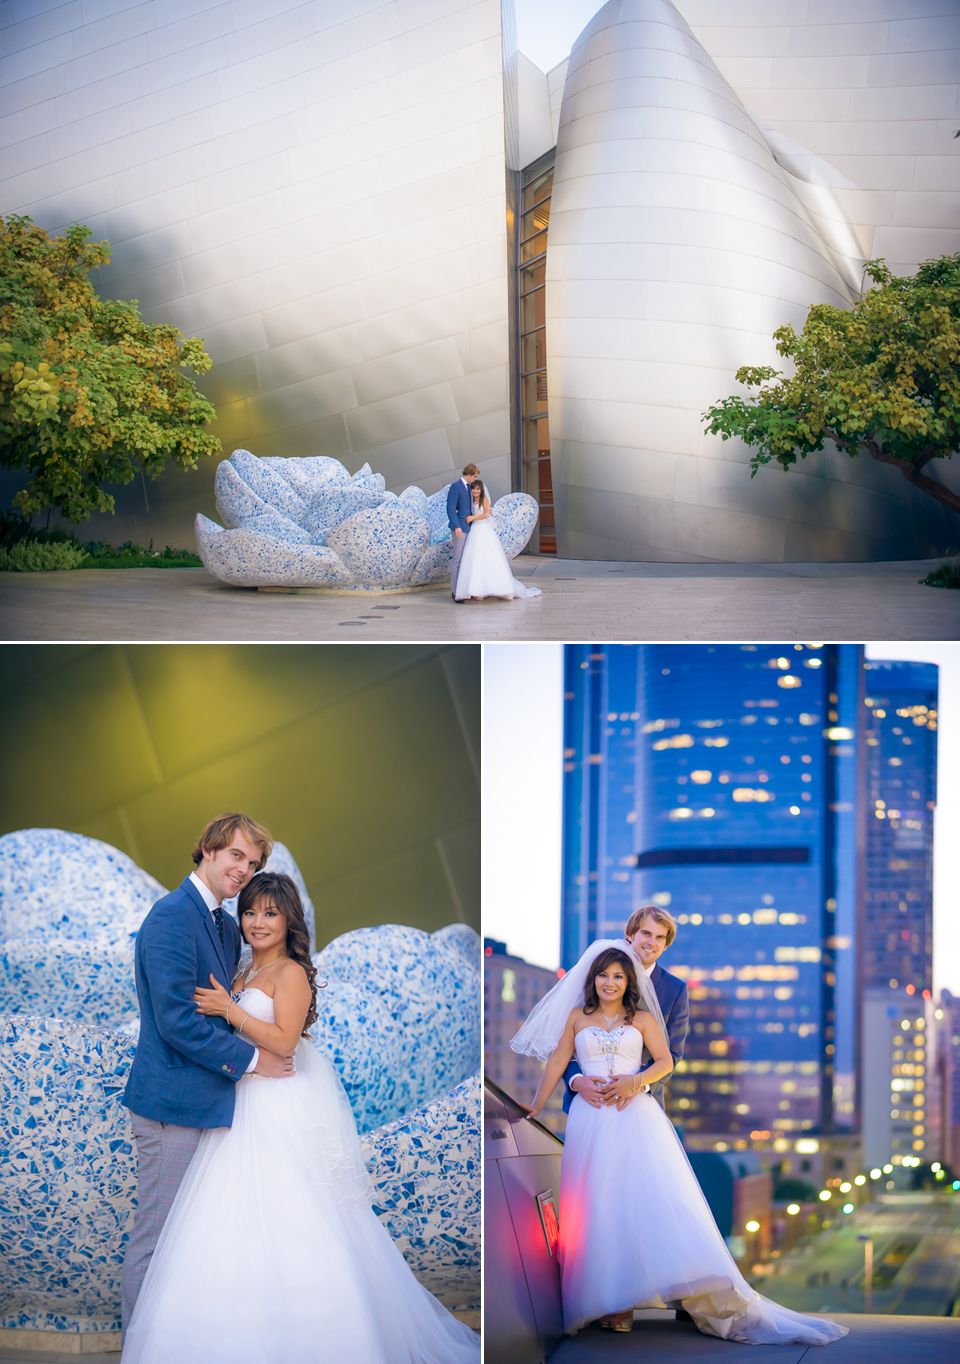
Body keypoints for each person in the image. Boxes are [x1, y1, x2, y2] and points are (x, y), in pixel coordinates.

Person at [122, 871, 479, 1363]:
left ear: (290, 919)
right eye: (249, 911)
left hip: (273, 1104)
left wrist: (230, 1009)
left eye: (270, 912)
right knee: (226, 1222)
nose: (257, 922)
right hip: (236, 1100)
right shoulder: (241, 967)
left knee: (289, 1213)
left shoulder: (289, 973)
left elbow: (286, 1041)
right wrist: (231, 1006)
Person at [514, 945, 848, 1346]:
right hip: (589, 1121)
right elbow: (556, 1063)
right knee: (594, 1205)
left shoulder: (641, 1018)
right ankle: (607, 1301)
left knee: (638, 1200)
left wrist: (635, 1082)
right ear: (592, 979)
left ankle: (639, 1296)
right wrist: (536, 1104)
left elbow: (665, 1061)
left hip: (633, 1117)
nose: (610, 982)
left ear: (628, 982)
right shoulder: (575, 1017)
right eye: (604, 975)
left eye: (618, 976)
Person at [121, 812, 293, 1337]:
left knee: (190, 1244)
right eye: (237, 856)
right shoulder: (172, 916)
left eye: (253, 862)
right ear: (209, 850)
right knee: (156, 1239)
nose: (244, 870)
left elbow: (223, 1007)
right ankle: (139, 1349)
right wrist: (252, 1061)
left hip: (210, 1107)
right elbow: (175, 1021)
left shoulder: (222, 922)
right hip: (172, 1107)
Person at [563, 905, 688, 1115]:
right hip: (590, 1100)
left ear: (666, 945)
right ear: (630, 935)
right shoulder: (596, 975)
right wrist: (576, 1081)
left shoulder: (675, 990)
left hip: (642, 1104)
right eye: (646, 933)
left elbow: (673, 1054)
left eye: (660, 938)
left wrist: (637, 1085)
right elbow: (563, 1043)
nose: (652, 942)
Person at [452, 477, 542, 601]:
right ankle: (476, 590)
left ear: (481, 490)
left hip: (483, 529)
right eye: (473, 489)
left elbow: (485, 515)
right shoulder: (471, 501)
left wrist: (473, 518)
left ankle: (496, 588)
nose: (475, 491)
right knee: (475, 559)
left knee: (488, 557)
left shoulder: (484, 500)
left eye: (477, 489)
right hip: (474, 531)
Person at [446, 462, 478, 602]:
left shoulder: (469, 488)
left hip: (469, 528)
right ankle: (455, 591)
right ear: (469, 475)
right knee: (457, 559)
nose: (475, 479)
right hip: (460, 528)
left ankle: (464, 588)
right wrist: (457, 526)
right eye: (474, 476)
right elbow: (450, 509)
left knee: (465, 560)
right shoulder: (456, 487)